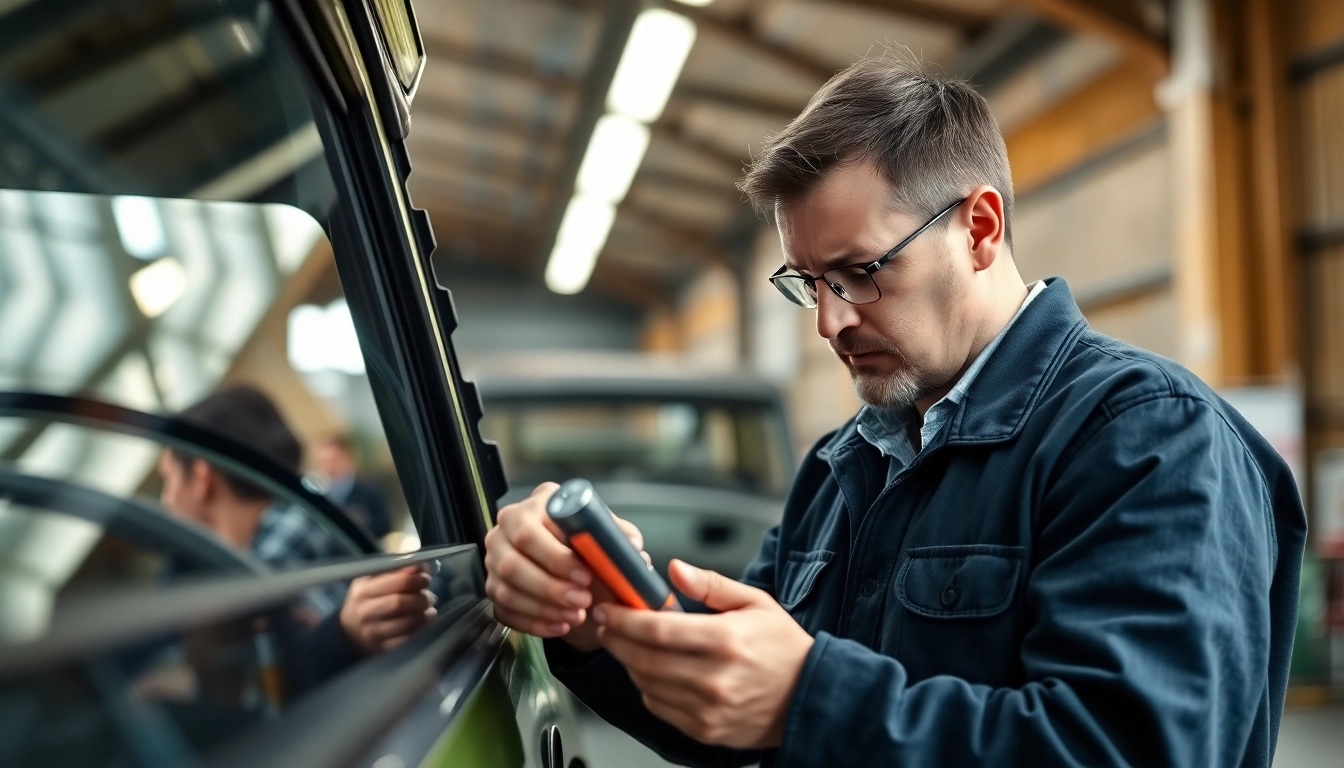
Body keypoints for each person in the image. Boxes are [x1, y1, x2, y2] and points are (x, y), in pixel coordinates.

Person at [483, 53, 1307, 767]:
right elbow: (732, 709)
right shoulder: (845, 464)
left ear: (980, 228)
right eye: (809, 283)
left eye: (861, 271)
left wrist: (810, 698)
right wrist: (596, 621)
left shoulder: (1147, 439)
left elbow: (1136, 749)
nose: (830, 323)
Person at [158, 386, 434, 667]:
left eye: (167, 480)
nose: (165, 499)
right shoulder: (310, 522)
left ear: (202, 478)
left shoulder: (278, 555)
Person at [317, 434, 391, 539]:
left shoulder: (369, 491)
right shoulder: (320, 493)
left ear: (346, 457)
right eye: (324, 462)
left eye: (333, 460)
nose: (328, 467)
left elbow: (384, 527)